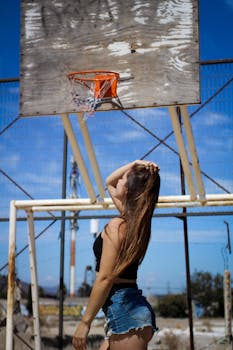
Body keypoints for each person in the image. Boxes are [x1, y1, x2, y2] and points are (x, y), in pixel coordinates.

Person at [73, 159, 160, 350]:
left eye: (124, 178)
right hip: (126, 310)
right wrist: (136, 163)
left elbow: (105, 278)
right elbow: (109, 182)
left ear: (128, 190)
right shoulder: (135, 223)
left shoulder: (118, 226)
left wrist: (85, 323)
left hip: (125, 312)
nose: (119, 180)